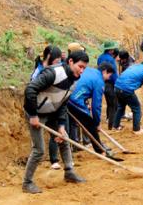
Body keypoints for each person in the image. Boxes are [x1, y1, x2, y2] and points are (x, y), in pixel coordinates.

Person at [22, 50, 89, 194]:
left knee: (64, 139)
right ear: (70, 62)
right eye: (80, 66)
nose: (82, 71)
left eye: (84, 68)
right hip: (36, 112)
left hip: (52, 111)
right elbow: (30, 90)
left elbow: (63, 102)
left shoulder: (74, 80)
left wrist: (61, 125)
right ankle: (27, 183)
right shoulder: (53, 73)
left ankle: (69, 172)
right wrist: (33, 115)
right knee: (39, 150)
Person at [68, 63, 114, 156]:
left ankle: (97, 146)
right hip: (75, 99)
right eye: (109, 75)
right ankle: (100, 150)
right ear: (104, 72)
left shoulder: (90, 70)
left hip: (67, 95)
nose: (108, 78)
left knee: (74, 123)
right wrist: (96, 123)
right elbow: (96, 105)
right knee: (90, 124)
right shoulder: (99, 81)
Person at [30, 45, 63, 170]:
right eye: (57, 60)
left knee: (56, 134)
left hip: (52, 107)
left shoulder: (54, 70)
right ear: (49, 58)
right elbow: (32, 91)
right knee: (37, 144)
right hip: (39, 109)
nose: (58, 63)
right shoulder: (38, 72)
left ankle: (55, 160)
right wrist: (34, 114)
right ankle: (32, 167)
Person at [113, 58, 143, 135]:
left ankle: (115, 126)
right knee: (136, 108)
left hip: (117, 87)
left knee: (121, 107)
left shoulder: (135, 66)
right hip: (127, 89)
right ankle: (137, 129)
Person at [97, 41, 119, 131]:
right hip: (110, 83)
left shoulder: (100, 58)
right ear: (110, 50)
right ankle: (112, 124)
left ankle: (108, 118)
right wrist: (117, 84)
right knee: (114, 104)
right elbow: (113, 74)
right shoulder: (111, 59)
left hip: (102, 82)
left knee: (109, 103)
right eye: (112, 49)